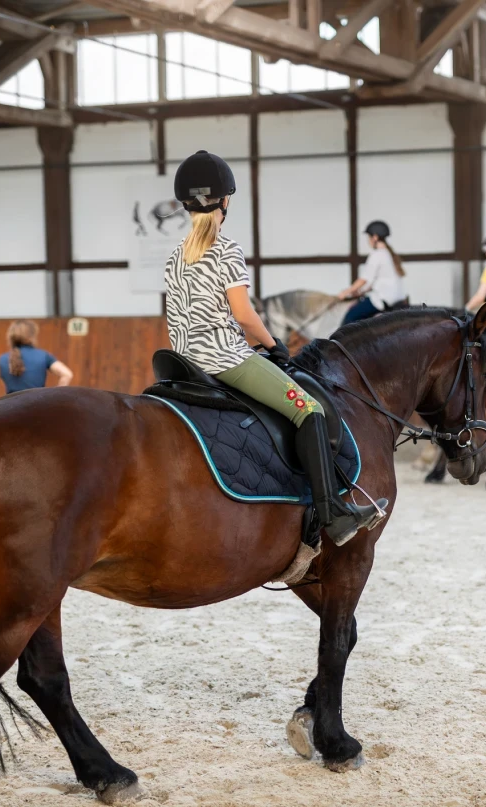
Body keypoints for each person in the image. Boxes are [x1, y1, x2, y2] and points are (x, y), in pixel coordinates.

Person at [167, 150, 386, 546]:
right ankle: (333, 513)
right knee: (310, 410)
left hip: (183, 360)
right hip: (225, 359)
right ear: (225, 199)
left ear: (185, 203)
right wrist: (273, 344)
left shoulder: (176, 254)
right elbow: (244, 313)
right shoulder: (225, 248)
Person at [339, 220, 407, 324]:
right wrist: (362, 291)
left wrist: (345, 292)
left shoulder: (377, 254)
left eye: (369, 237)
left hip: (383, 299)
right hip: (396, 299)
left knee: (349, 318)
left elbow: (364, 279)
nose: (368, 241)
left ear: (375, 237)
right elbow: (378, 281)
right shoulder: (388, 253)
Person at [0, 320, 73, 394]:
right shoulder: (43, 355)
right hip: (37, 403)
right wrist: (56, 395)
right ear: (32, 336)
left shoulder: (3, 359)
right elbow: (67, 374)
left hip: (11, 404)